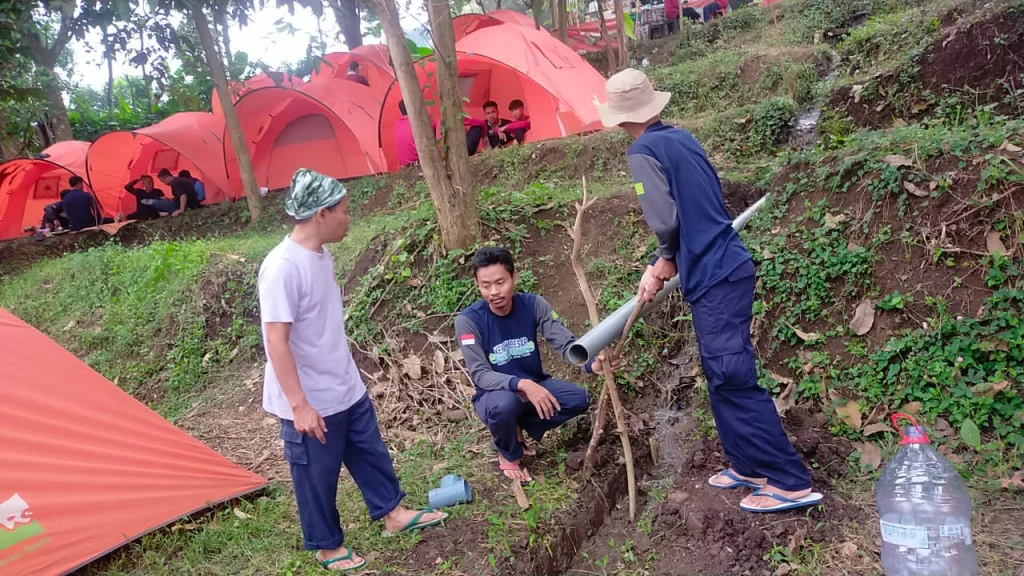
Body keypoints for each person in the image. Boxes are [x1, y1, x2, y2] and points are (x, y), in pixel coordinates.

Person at [599, 68, 821, 513]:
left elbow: (665, 220)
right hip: (723, 266)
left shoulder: (642, 151)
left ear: (620, 117)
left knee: (732, 376)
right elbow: (698, 206)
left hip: (715, 275)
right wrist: (664, 260)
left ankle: (789, 481)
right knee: (721, 376)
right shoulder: (681, 138)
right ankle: (749, 465)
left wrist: (664, 258)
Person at [258, 169, 447, 571]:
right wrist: (299, 406)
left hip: (343, 384)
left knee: (369, 452)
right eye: (344, 210)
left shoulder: (319, 255)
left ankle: (393, 513)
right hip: (310, 398)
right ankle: (327, 547)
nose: (349, 217)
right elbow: (276, 341)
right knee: (317, 475)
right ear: (321, 214)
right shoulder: (283, 268)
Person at [455, 247, 620, 482]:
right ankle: (508, 453)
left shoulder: (533, 305)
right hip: (494, 395)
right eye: (485, 286)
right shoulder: (468, 321)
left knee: (578, 399)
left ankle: (515, 426)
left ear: (514, 277)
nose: (494, 292)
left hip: (533, 385)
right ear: (477, 284)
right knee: (505, 405)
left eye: (500, 283)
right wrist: (522, 384)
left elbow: (564, 343)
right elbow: (480, 374)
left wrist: (592, 365)